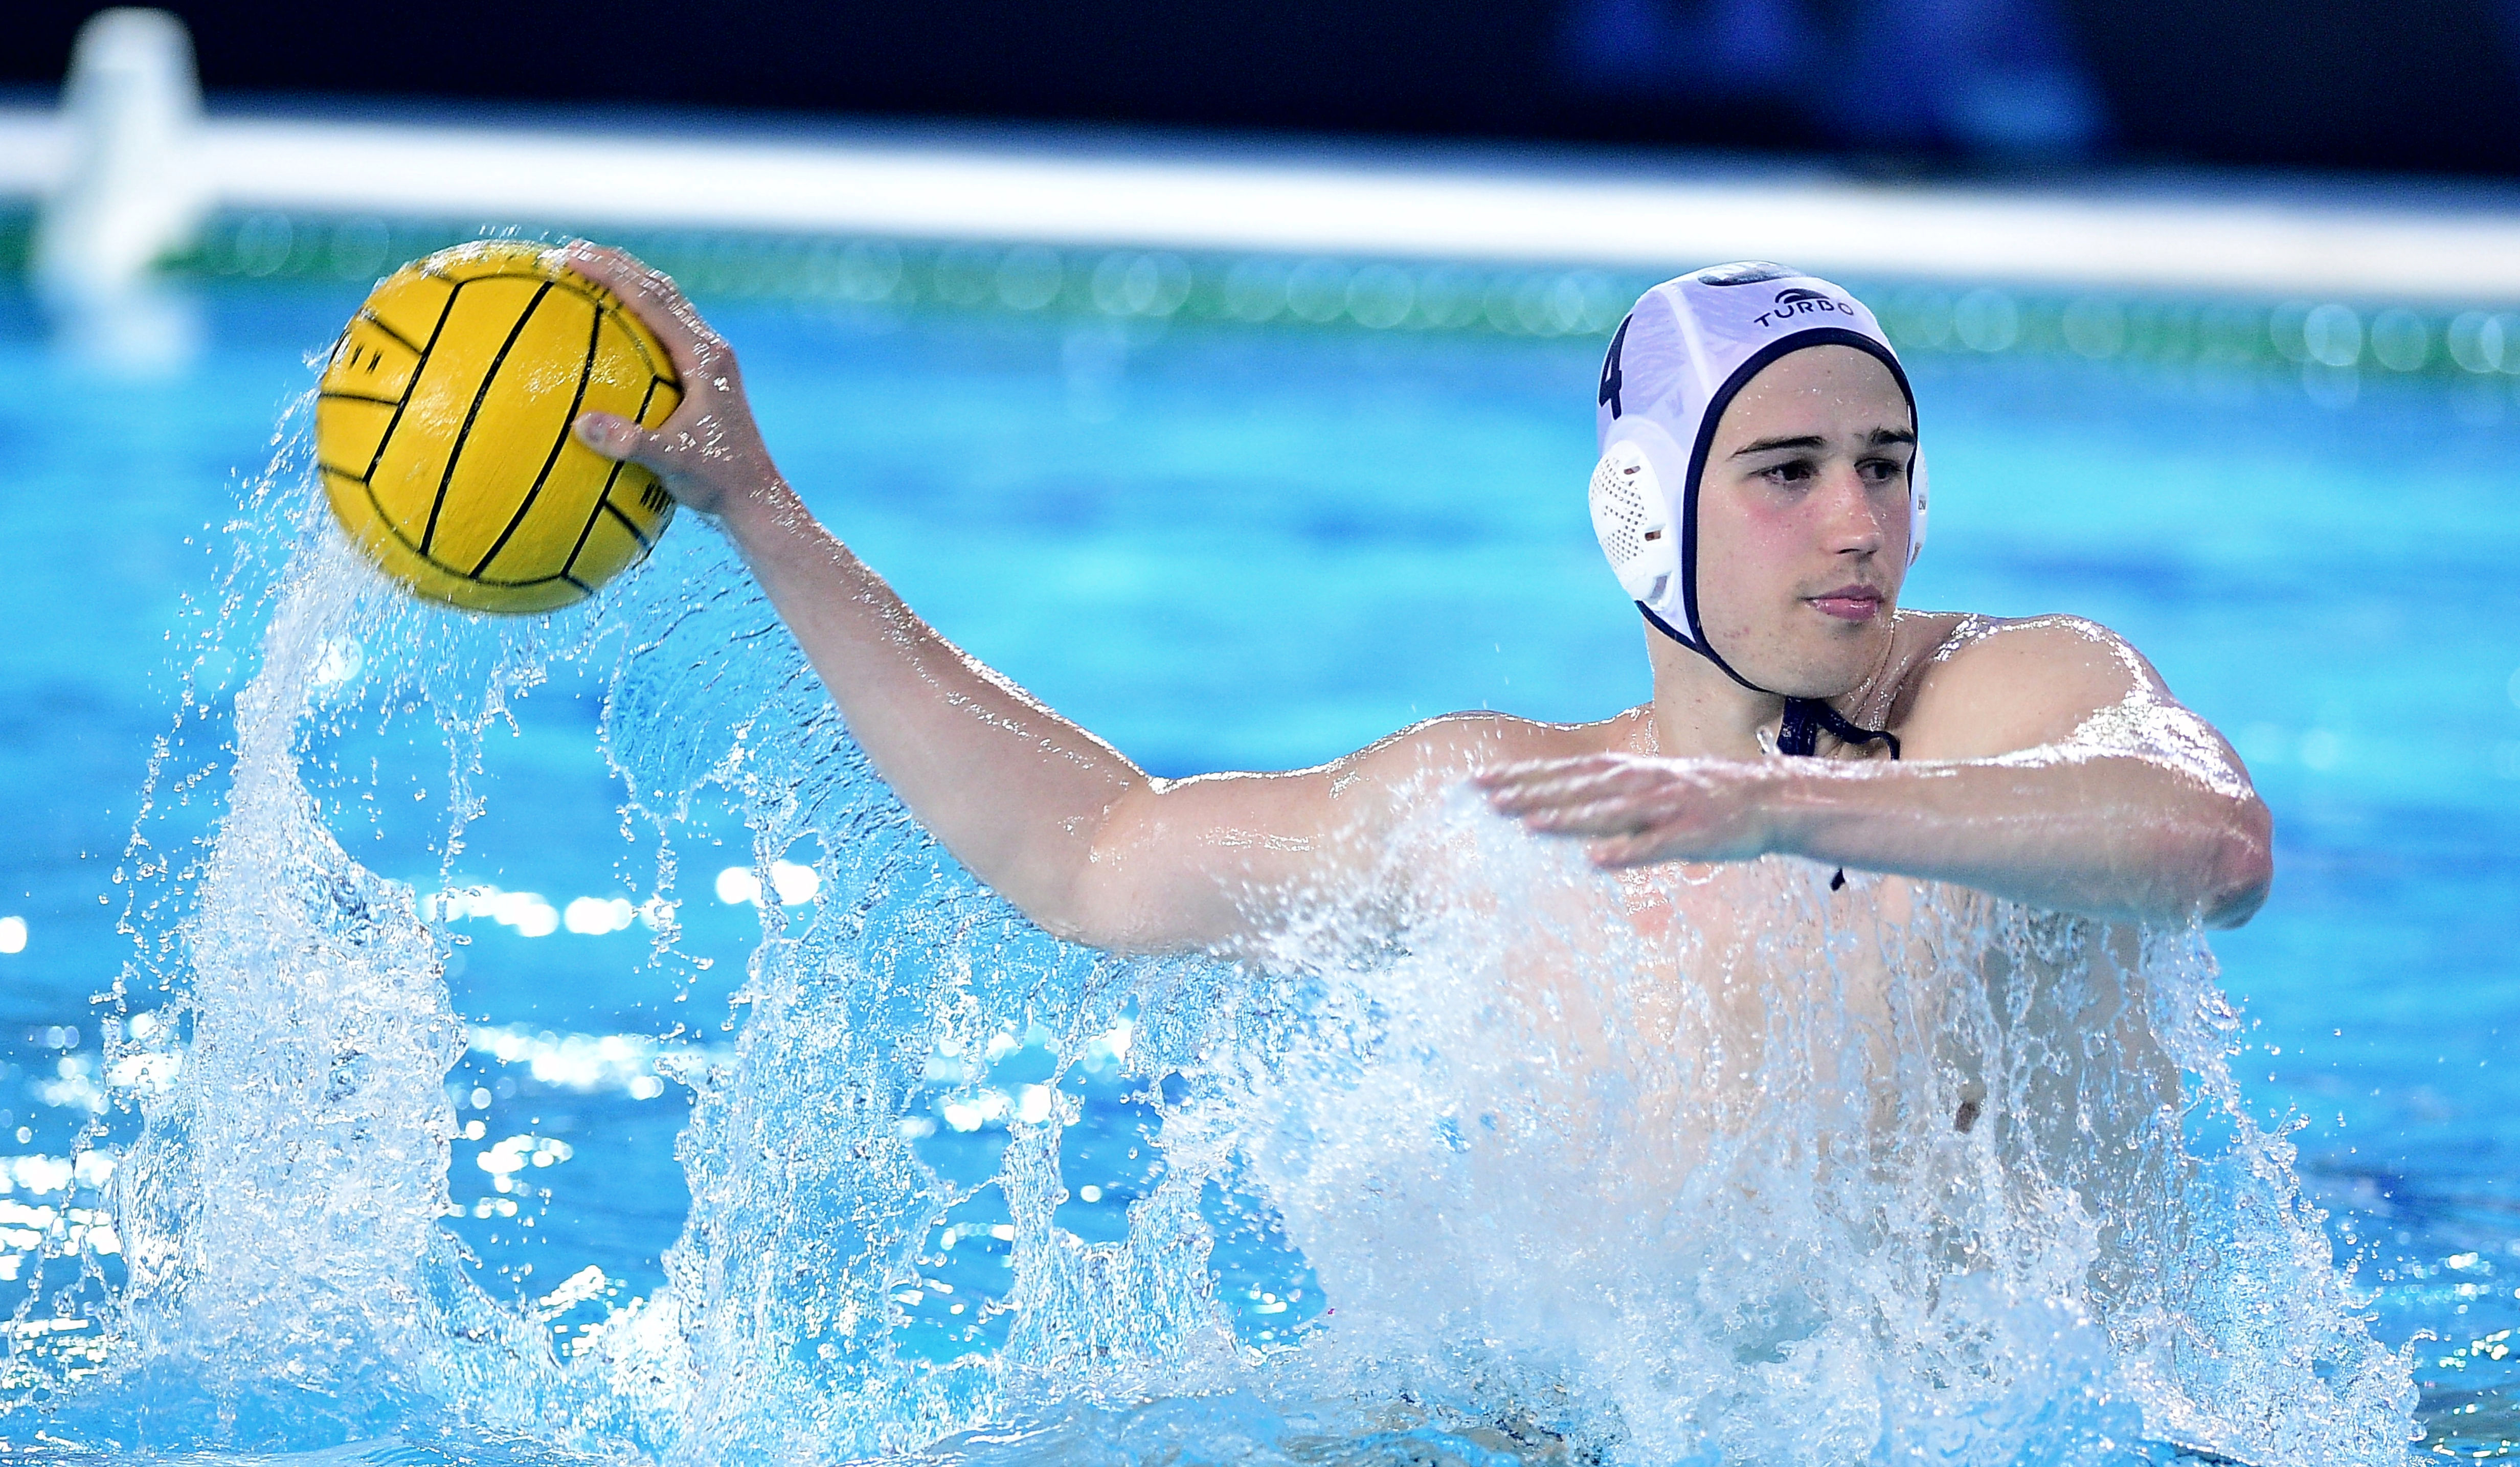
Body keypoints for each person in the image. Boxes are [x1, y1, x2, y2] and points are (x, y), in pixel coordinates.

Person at [559, 246, 2271, 969]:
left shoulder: (2005, 696)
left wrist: (1785, 804)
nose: (1861, 523)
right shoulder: (1503, 814)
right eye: (1788, 469)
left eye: (1888, 464)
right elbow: (1089, 858)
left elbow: (2212, 847)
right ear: (1641, 513)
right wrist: (761, 512)